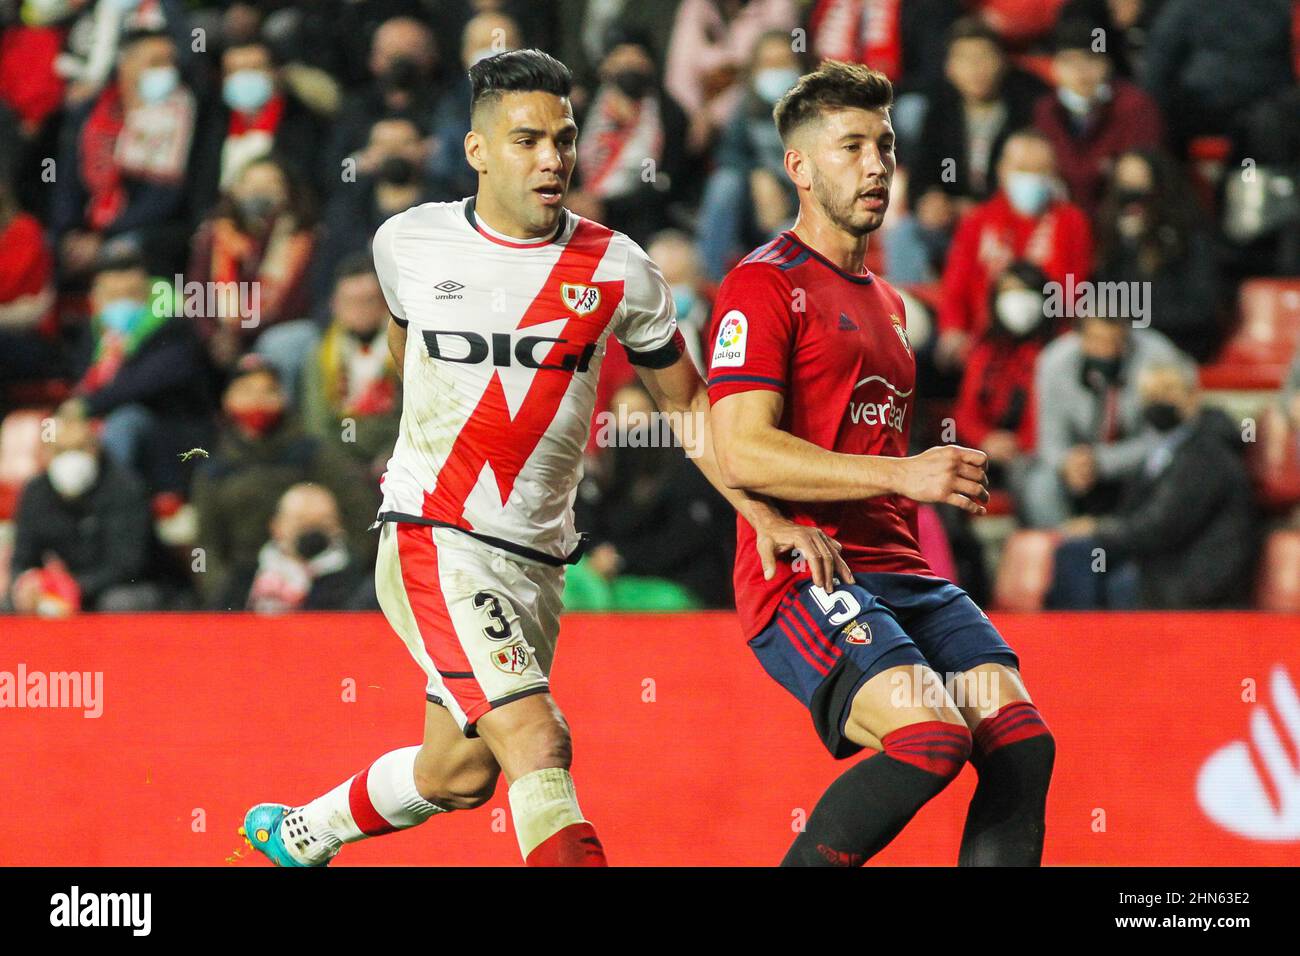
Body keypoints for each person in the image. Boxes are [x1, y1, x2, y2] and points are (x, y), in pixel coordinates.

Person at [239, 49, 844, 869]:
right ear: (477, 150)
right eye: (526, 140)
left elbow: (689, 407)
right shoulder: (408, 243)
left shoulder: (623, 270)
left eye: (562, 138)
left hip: (538, 558)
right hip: (434, 534)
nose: (552, 158)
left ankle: (304, 832)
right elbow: (400, 350)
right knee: (538, 738)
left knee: (458, 775)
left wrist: (760, 512)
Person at [705, 61, 1054, 867]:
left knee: (1021, 745)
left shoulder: (893, 305)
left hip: (904, 573)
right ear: (798, 166)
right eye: (851, 146)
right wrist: (905, 475)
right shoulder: (762, 285)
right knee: (931, 738)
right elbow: (742, 446)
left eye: (885, 145)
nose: (875, 165)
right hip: (807, 571)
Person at [1050, 362, 1257, 609]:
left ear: (1193, 396)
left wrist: (1098, 529)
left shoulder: (1208, 451)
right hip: (1165, 562)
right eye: (1150, 395)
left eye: (1168, 391)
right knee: (1077, 552)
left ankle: (1082, 641)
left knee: (1101, 564)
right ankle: (1075, 639)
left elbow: (1164, 526)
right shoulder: (1163, 448)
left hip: (1196, 576)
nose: (1158, 401)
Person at [190, 355, 376, 607]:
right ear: (227, 400)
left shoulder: (312, 454)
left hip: (322, 582)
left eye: (269, 391)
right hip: (245, 585)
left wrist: (347, 571)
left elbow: (361, 512)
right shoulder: (214, 470)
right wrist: (227, 597)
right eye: (247, 391)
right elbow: (205, 546)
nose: (258, 401)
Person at [935, 128, 1092, 378]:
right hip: (983, 345)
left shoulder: (1072, 222)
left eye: (1039, 171)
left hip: (1048, 344)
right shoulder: (977, 221)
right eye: (1021, 169)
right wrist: (953, 329)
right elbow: (956, 285)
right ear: (1002, 171)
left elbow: (1076, 288)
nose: (1030, 178)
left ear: (1053, 175)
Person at [1019, 311, 1188, 528]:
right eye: (1098, 341)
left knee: (1167, 471)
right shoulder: (1054, 361)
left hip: (1134, 465)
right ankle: (1065, 550)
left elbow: (1166, 439)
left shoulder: (1158, 356)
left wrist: (1101, 461)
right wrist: (1068, 463)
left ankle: (1132, 551)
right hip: (1076, 467)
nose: (1107, 351)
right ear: (1079, 337)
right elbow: (1050, 441)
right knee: (1039, 482)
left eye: (1116, 342)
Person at [7, 409, 160, 614]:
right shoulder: (36, 492)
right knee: (10, 602)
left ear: (95, 448)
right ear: (45, 455)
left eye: (80, 448)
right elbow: (23, 558)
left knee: (117, 602)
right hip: (67, 587)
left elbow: (127, 565)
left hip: (123, 586)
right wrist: (27, 584)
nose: (71, 458)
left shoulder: (125, 488)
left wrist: (76, 587)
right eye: (61, 450)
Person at [1032, 17, 1164, 220]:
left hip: (1120, 218)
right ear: (1055, 67)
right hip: (1061, 220)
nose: (1081, 71)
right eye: (1070, 61)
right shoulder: (1045, 111)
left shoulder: (1134, 106)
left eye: (1091, 59)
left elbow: (1142, 174)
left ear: (1106, 64)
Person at [215, 482, 367, 613]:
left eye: (322, 523)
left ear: (338, 527)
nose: (311, 532)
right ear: (276, 526)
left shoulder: (354, 580)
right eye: (301, 522)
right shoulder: (245, 575)